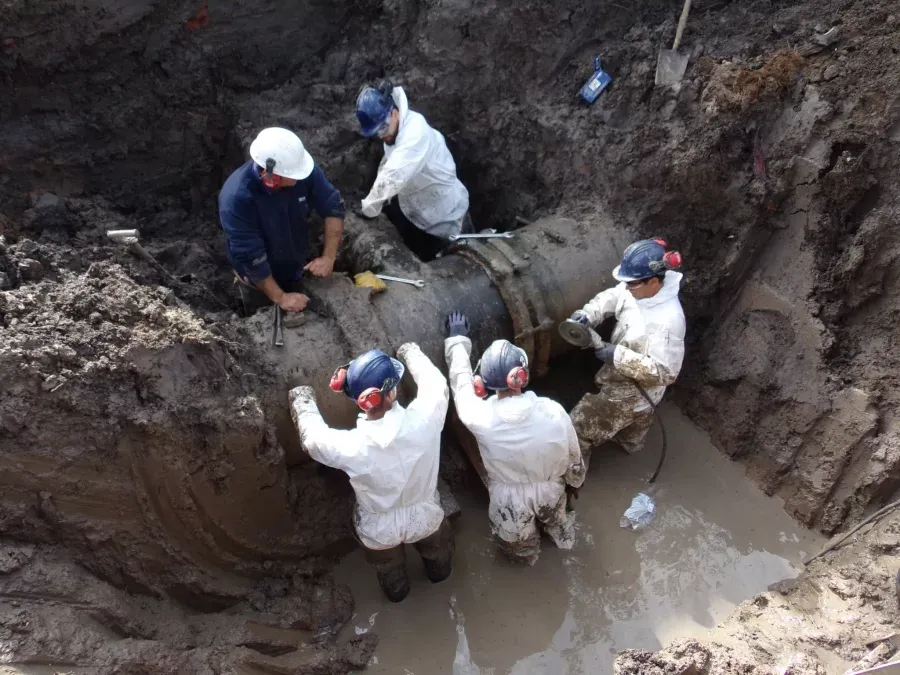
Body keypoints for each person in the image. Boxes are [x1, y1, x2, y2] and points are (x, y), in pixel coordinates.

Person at [287, 344, 454, 602]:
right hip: (426, 517)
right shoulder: (425, 419)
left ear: (358, 400)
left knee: (389, 571)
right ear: (391, 393)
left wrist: (301, 393)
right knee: (438, 553)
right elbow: (436, 384)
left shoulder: (351, 446)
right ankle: (440, 577)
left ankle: (398, 595)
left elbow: (312, 439)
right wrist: (408, 351)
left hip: (379, 529)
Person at [443, 312, 586, 565]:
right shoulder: (552, 410)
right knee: (559, 524)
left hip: (508, 498)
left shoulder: (479, 417)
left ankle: (527, 561)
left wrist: (457, 340)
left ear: (482, 385)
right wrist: (575, 481)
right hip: (551, 489)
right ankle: (564, 544)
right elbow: (574, 456)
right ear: (523, 376)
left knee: (517, 545)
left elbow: (460, 385)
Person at [568, 238, 686, 465]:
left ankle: (573, 478)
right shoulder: (635, 289)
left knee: (576, 432)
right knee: (631, 437)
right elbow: (613, 296)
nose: (626, 288)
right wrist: (589, 313)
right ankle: (628, 447)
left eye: (631, 284)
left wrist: (617, 356)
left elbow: (667, 373)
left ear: (653, 281)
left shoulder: (669, 320)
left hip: (633, 393)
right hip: (633, 387)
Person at [219, 127, 345, 316]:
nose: (300, 178)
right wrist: (280, 298)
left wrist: (328, 257)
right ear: (271, 177)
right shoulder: (237, 198)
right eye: (294, 177)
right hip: (258, 280)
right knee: (263, 321)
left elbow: (333, 204)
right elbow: (251, 256)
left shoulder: (298, 167)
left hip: (295, 261)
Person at [355, 80, 471, 260]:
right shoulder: (395, 131)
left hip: (448, 220)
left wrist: (369, 208)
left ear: (394, 112)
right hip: (419, 216)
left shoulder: (415, 134)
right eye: (376, 132)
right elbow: (390, 161)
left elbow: (394, 174)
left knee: (462, 270)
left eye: (383, 127)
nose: (382, 135)